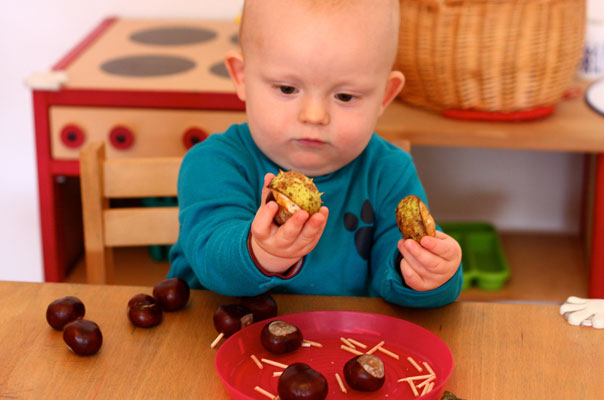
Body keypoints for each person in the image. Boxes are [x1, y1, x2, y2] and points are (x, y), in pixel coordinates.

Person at [167, 0, 463, 308]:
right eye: (286, 89)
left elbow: (402, 275)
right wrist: (261, 252)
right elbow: (211, 260)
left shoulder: (389, 172)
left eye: (345, 96)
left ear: (384, 97)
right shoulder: (213, 163)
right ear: (241, 77)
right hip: (213, 341)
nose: (314, 115)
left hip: (340, 347)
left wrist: (430, 275)